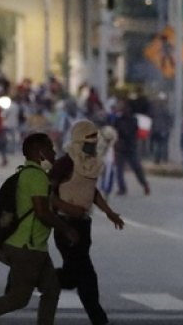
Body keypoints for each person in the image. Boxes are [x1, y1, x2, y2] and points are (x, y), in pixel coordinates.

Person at [0, 133, 79, 325]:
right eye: (50, 150)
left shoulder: (27, 173)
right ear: (40, 153)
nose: (54, 154)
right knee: (18, 298)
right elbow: (42, 212)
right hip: (26, 248)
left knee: (52, 290)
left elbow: (48, 203)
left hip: (35, 247)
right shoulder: (36, 176)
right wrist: (66, 229)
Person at [48, 121, 124, 325]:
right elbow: (46, 192)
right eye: (88, 140)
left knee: (82, 277)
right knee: (81, 276)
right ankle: (35, 277)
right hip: (66, 225)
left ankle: (99, 320)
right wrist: (66, 206)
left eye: (94, 139)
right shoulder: (66, 163)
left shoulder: (90, 163)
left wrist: (109, 212)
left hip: (83, 225)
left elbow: (92, 191)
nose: (92, 144)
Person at [111, 99, 151, 196]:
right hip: (125, 146)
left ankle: (142, 184)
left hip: (128, 146)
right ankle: (124, 188)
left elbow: (123, 132)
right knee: (123, 169)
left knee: (134, 168)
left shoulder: (129, 120)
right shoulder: (123, 120)